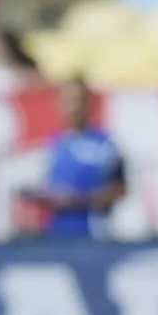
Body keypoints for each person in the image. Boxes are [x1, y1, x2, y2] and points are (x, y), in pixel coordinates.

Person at [20, 79, 126, 239]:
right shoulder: (46, 146)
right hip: (53, 236)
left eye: (79, 101)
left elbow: (119, 190)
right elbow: (29, 190)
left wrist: (75, 199)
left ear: (89, 104)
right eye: (68, 100)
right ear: (57, 103)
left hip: (94, 236)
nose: (74, 107)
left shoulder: (106, 146)